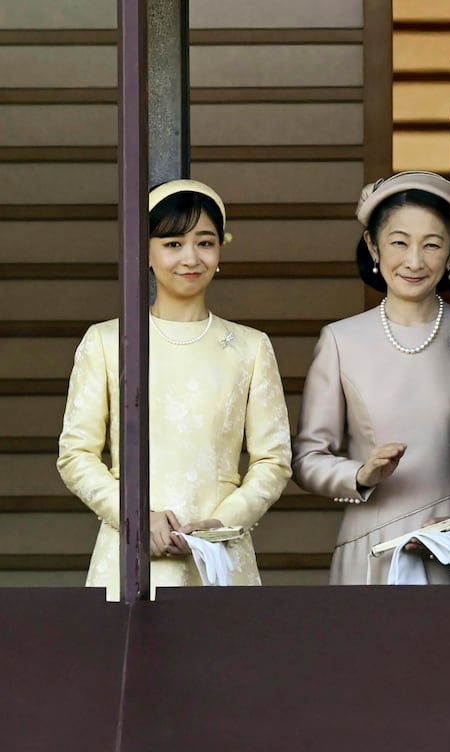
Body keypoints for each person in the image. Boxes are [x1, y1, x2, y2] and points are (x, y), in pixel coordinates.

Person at [58, 179, 292, 598]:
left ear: (221, 250)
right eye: (172, 243)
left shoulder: (250, 348)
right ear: (146, 251)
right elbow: (76, 455)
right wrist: (135, 517)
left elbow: (273, 461)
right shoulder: (108, 342)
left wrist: (221, 524)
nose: (190, 257)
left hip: (220, 555)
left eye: (205, 242)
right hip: (129, 552)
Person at [292, 171, 450, 585]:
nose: (414, 261)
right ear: (372, 245)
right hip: (371, 548)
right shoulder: (340, 340)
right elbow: (308, 458)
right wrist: (359, 475)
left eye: (432, 245)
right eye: (399, 242)